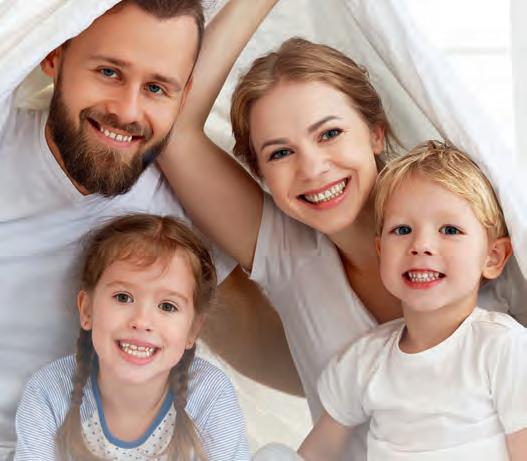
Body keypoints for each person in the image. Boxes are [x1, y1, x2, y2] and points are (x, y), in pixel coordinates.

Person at [159, 11, 527, 461]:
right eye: (280, 153)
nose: (313, 168)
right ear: (260, 173)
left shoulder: (475, 239)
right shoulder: (286, 251)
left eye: (330, 133)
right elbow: (171, 129)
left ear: (375, 133)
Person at [0, 1, 284, 458]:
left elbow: (299, 354)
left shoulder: (174, 218)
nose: (127, 110)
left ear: (183, 98)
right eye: (109, 72)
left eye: (156, 88)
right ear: (53, 54)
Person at [294, 141, 527, 461]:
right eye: (402, 229)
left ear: (493, 256)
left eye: (449, 229)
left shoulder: (502, 347)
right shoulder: (365, 361)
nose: (421, 244)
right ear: (381, 251)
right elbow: (313, 454)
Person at [14, 214, 250, 461]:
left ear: (192, 330)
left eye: (167, 306)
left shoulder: (209, 394)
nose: (142, 321)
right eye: (123, 297)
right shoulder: (49, 392)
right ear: (87, 310)